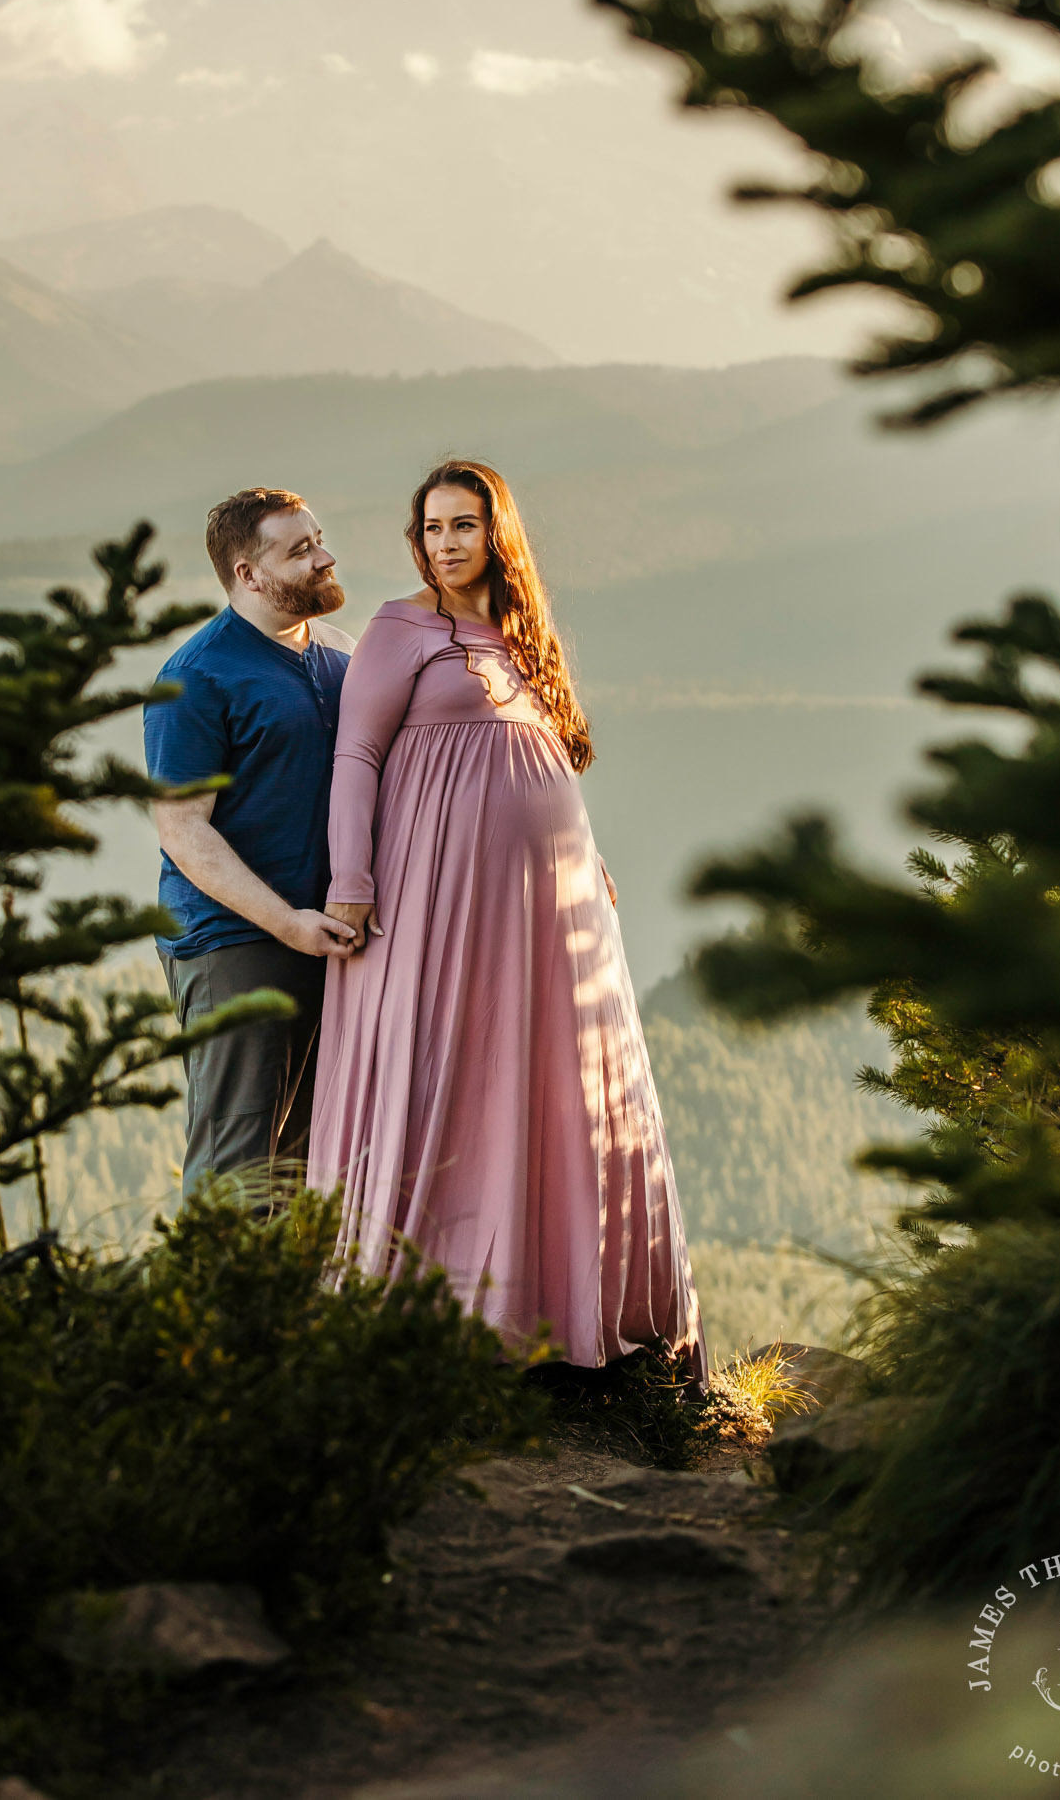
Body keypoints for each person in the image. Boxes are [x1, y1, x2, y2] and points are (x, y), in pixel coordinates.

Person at [310, 459, 706, 1374]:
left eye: (462, 526)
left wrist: (583, 853)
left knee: (552, 1080)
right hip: (436, 890)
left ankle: (565, 1314)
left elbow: (546, 762)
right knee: (450, 1064)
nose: (445, 545)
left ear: (497, 535)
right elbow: (356, 756)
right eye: (431, 528)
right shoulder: (399, 627)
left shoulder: (524, 637)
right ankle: (432, 1312)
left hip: (550, 906)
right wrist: (352, 879)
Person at [145, 486, 357, 1196]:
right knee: (241, 1164)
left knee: (312, 1161)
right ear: (247, 574)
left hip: (329, 936)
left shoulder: (339, 656)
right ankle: (209, 1308)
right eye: (299, 551)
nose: (323, 557)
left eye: (318, 539)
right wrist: (286, 922)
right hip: (234, 944)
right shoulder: (196, 677)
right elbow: (180, 828)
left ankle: (292, 1307)